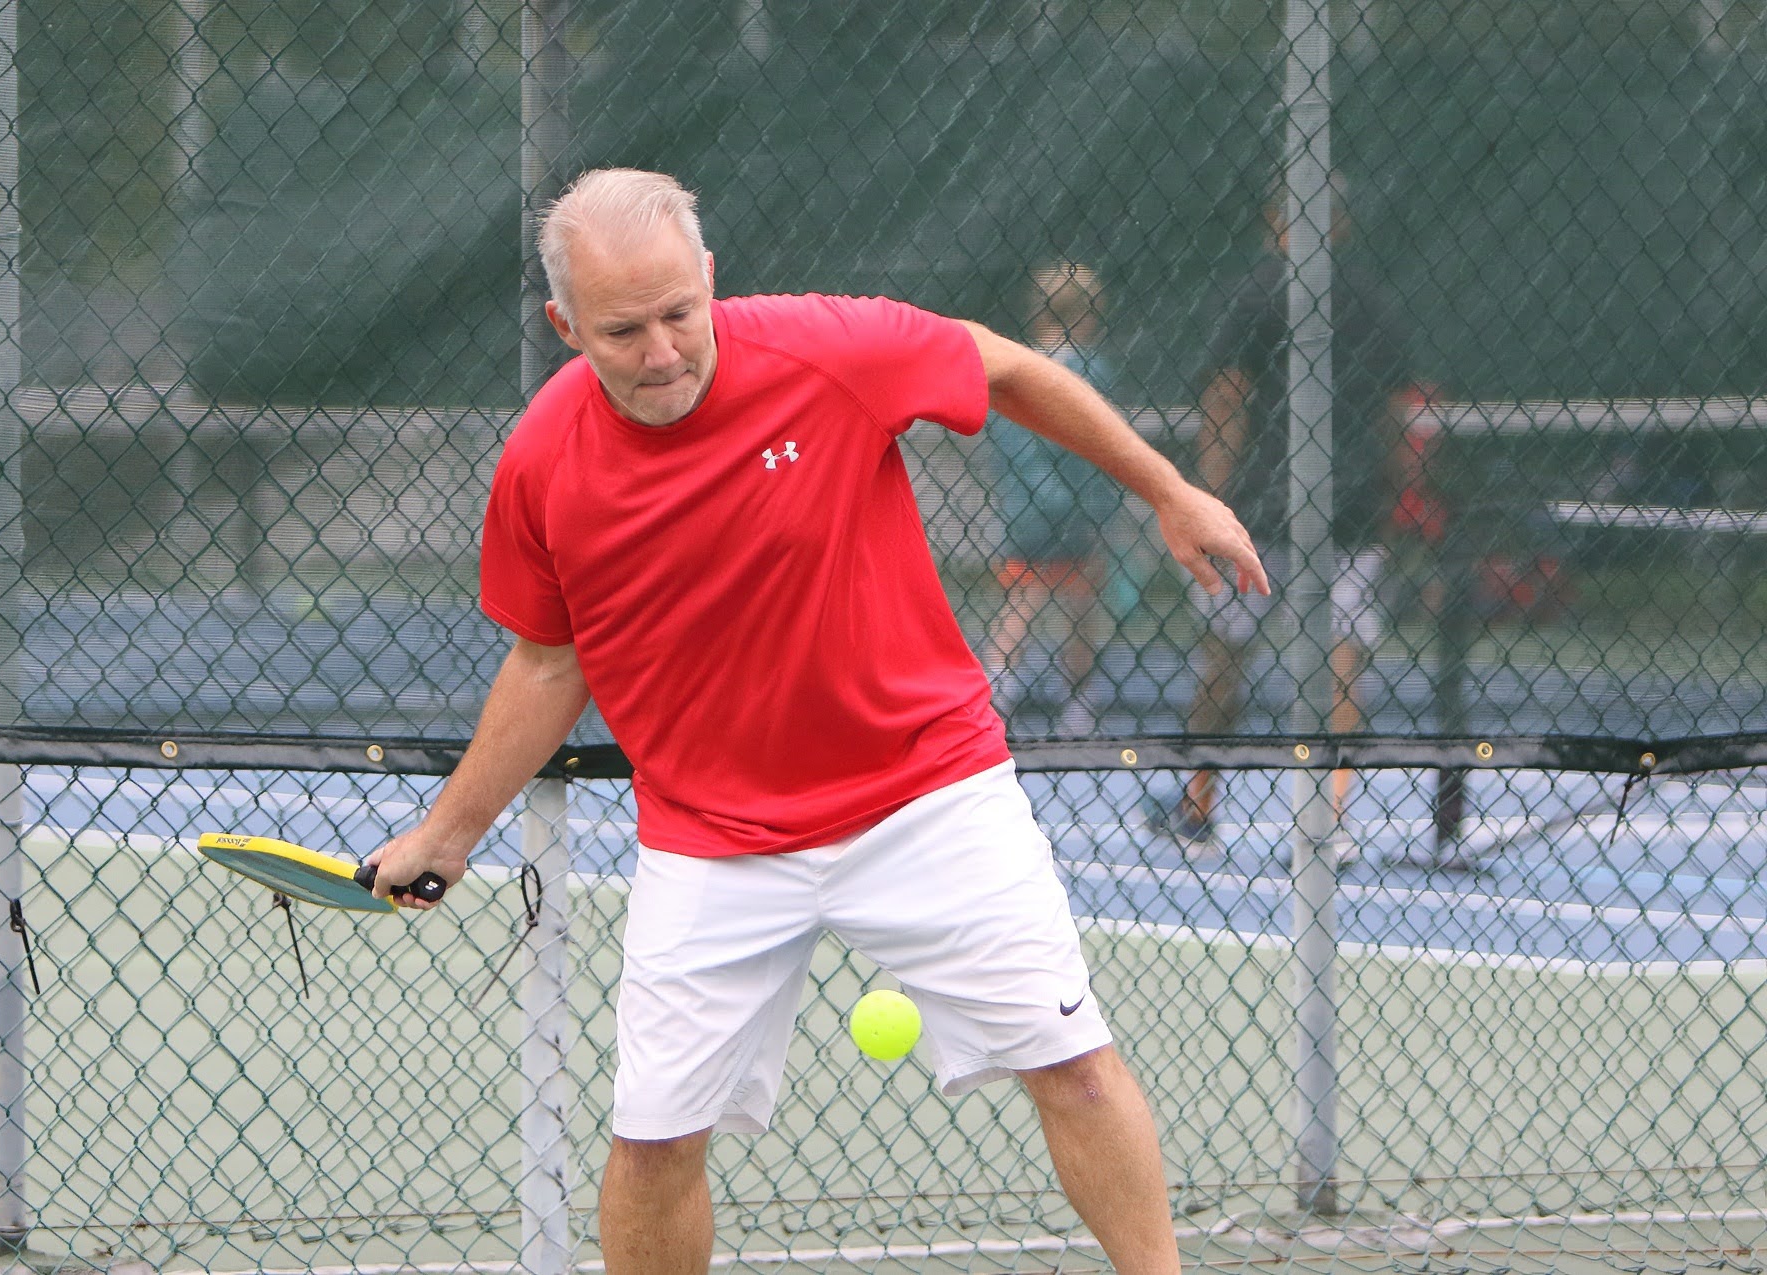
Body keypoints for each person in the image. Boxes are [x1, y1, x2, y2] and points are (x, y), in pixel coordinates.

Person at [363, 168, 1266, 1275]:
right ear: (564, 327)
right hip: (713, 841)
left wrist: (1167, 491)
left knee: (1072, 1063)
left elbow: (1007, 367)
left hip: (926, 795)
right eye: (621, 331)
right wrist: (449, 832)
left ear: (707, 279)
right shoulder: (544, 461)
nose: (660, 353)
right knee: (650, 1146)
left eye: (676, 315)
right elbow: (548, 662)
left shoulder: (827, 349)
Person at [1149, 172, 1413, 854]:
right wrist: (1389, 487)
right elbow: (1394, 413)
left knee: (1227, 653)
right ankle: (1330, 816)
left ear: (1277, 219)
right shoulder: (1372, 300)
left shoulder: (1262, 289)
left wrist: (1208, 496)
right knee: (1342, 658)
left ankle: (1198, 805)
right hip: (1340, 506)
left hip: (1265, 506)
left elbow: (1226, 397)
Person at [981, 260, 1125, 733]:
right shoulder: (1092, 370)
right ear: (1089, 315)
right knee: (1081, 607)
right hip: (1076, 511)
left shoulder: (1018, 364)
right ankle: (1079, 703)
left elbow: (1006, 443)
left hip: (1028, 510)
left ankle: (996, 692)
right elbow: (1100, 440)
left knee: (1022, 600)